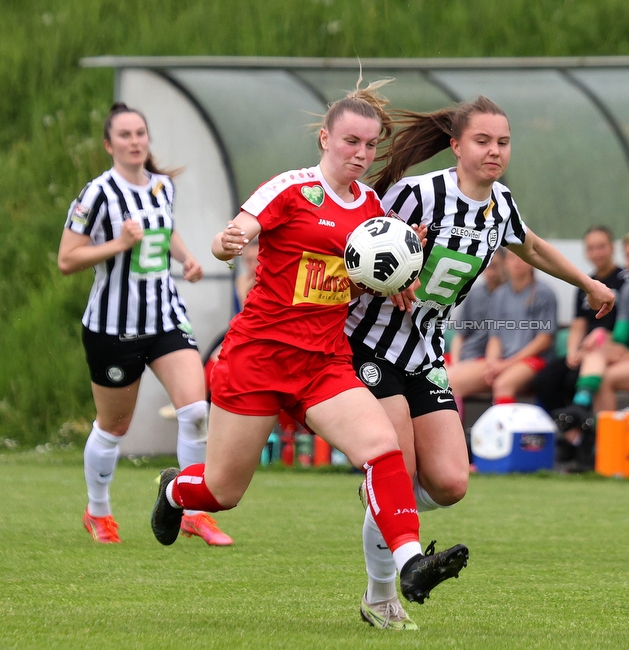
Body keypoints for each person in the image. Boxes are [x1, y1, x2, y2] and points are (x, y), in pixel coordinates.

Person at [148, 82, 470, 631]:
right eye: (350, 142)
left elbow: (364, 274)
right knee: (222, 491)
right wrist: (229, 242)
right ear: (325, 138)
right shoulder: (291, 189)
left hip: (324, 364)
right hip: (257, 359)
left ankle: (410, 566)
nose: (361, 155)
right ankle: (176, 489)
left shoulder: (371, 209)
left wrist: (396, 278)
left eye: (370, 146)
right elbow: (240, 232)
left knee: (382, 448)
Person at [346, 95, 615, 622]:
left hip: (425, 351)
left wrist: (585, 281)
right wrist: (387, 275)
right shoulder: (417, 194)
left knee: (450, 483)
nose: (495, 151)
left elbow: (531, 247)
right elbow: (357, 244)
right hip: (371, 344)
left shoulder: (501, 206)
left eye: (503, 142)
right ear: (456, 145)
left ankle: (382, 495)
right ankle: (381, 598)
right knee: (397, 466)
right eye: (483, 141)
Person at [57, 103, 233, 547]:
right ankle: (98, 511)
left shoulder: (162, 186)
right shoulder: (97, 194)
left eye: (140, 133)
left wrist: (187, 257)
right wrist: (118, 243)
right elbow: (67, 259)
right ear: (109, 144)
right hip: (113, 327)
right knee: (114, 426)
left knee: (195, 412)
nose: (135, 141)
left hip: (165, 318)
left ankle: (192, 511)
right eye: (125, 135)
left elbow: (165, 230)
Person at [533, 226, 627, 414]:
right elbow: (578, 324)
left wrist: (600, 340)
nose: (596, 253)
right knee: (544, 380)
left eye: (601, 247)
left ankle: (583, 427)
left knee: (574, 380)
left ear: (612, 248)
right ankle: (569, 432)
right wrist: (572, 352)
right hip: (584, 349)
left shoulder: (625, 280)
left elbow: (627, 324)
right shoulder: (586, 283)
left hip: (612, 348)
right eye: (591, 248)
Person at [448, 251, 559, 404]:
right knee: (452, 382)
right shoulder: (500, 295)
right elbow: (494, 339)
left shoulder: (543, 293)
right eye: (512, 258)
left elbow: (544, 340)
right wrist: (492, 363)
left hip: (534, 360)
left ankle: (505, 428)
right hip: (502, 361)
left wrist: (506, 365)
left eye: (522, 257)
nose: (516, 262)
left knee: (503, 385)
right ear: (505, 263)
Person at [572, 229, 629, 415]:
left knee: (606, 378)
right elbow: (622, 334)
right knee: (596, 347)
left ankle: (602, 433)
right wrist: (604, 338)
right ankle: (581, 404)